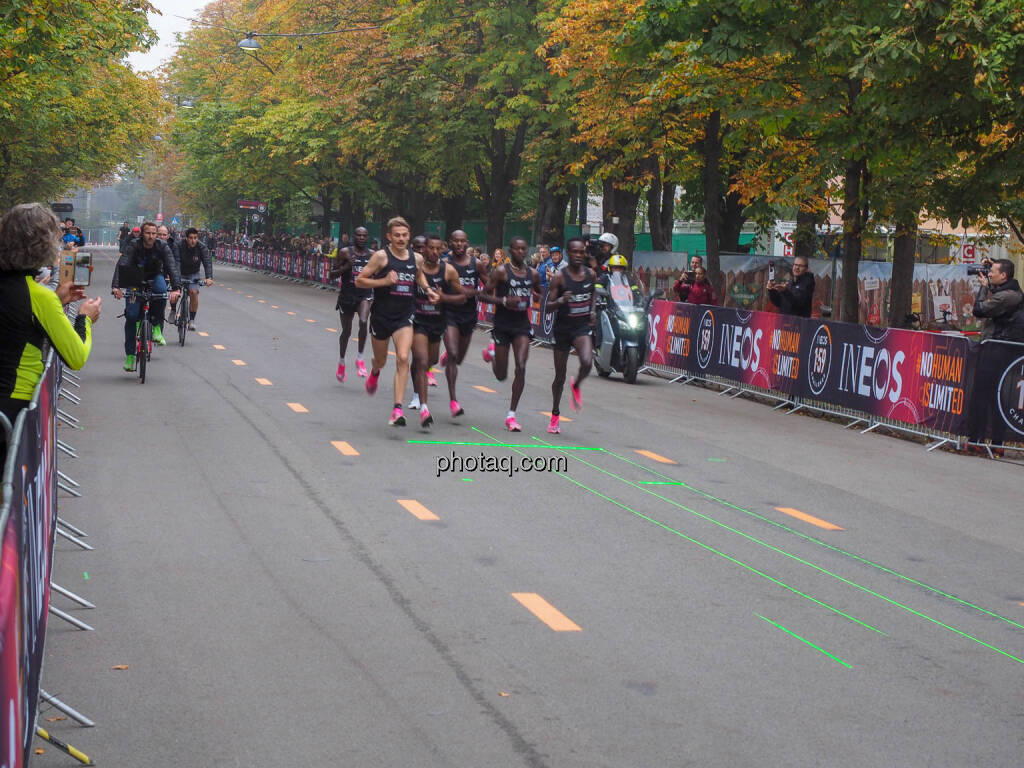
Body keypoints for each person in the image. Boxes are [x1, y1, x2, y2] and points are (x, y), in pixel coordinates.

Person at [0, 204, 101, 459]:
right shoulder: (39, 297)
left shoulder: (38, 295)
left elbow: (16, 321)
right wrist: (84, 320)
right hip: (13, 409)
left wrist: (57, 299)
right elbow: (76, 355)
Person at [355, 216, 434, 426]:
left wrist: (427, 290)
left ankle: (397, 410)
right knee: (380, 360)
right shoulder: (381, 257)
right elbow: (360, 280)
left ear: (409, 236)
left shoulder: (416, 258)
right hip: (381, 316)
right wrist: (384, 281)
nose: (401, 239)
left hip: (404, 316)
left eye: (404, 235)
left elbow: (418, 276)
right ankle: (375, 370)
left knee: (402, 357)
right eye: (397, 235)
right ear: (389, 237)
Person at [478, 237, 541, 432]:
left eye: (524, 249)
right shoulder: (501, 272)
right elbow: (483, 294)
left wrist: (536, 295)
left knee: (521, 366)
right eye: (517, 249)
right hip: (503, 325)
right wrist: (504, 301)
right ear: (511, 251)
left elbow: (538, 292)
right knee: (501, 375)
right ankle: (493, 354)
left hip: (521, 325)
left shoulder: (533, 274)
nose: (522, 252)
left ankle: (511, 415)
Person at [966, 259, 1024, 454]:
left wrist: (983, 288)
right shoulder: (1007, 291)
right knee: (991, 396)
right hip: (997, 348)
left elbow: (979, 310)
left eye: (992, 271)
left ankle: (982, 441)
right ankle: (988, 441)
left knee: (986, 395)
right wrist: (992, 264)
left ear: (1004, 276)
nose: (989, 274)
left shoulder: (1009, 296)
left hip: (998, 350)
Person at [408, 234, 465, 426]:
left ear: (442, 249)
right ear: (423, 249)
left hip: (438, 322)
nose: (433, 252)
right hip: (418, 321)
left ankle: (417, 373)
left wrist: (444, 299)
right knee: (423, 362)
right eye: (429, 248)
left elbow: (462, 297)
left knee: (430, 360)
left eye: (437, 248)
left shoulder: (448, 271)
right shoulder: (416, 268)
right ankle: (424, 408)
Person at [112, 221, 181, 369]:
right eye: (148, 233)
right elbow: (122, 264)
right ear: (142, 233)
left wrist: (176, 288)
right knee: (131, 316)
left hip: (155, 276)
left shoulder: (162, 246)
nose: (151, 236)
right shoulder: (134, 245)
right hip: (134, 278)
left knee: (162, 292)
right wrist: (116, 286)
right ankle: (130, 357)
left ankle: (156, 328)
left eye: (153, 233)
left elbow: (171, 266)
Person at [547, 238, 596, 434]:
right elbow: (548, 307)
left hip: (581, 327)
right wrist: (561, 300)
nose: (578, 255)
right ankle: (555, 415)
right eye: (574, 252)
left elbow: (593, 295)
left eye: (581, 252)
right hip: (563, 329)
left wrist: (592, 311)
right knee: (559, 376)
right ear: (568, 253)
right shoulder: (560, 277)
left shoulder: (590, 274)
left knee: (587, 361)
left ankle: (576, 384)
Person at [439, 229, 488, 418]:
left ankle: (449, 355)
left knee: (458, 359)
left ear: (467, 243)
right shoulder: (444, 264)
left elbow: (489, 284)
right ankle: (453, 401)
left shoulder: (476, 264)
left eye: (462, 241)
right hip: (449, 313)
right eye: (455, 241)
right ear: (450, 243)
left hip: (468, 315)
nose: (459, 244)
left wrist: (493, 293)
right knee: (453, 354)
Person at [329, 226, 374, 381]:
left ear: (367, 237)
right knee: (346, 332)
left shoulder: (373, 255)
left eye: (364, 235)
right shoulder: (345, 253)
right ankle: (341, 362)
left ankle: (360, 358)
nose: (361, 238)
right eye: (358, 235)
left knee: (363, 321)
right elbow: (331, 275)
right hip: (347, 295)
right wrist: (347, 266)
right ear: (354, 236)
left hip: (365, 295)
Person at [175, 227, 213, 330]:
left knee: (194, 292)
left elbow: (207, 262)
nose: (193, 240)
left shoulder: (202, 247)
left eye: (195, 238)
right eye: (191, 238)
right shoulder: (179, 245)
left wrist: (208, 277)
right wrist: (175, 277)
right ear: (186, 238)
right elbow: (176, 262)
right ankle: (173, 310)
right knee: (175, 292)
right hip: (180, 272)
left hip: (193, 273)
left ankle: (191, 320)